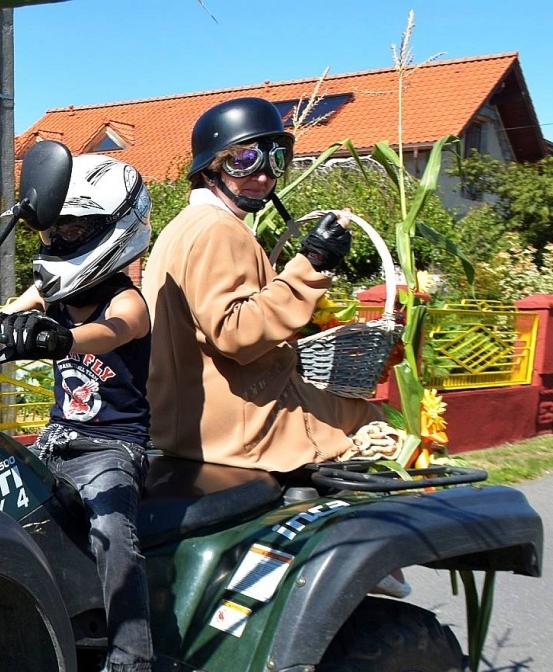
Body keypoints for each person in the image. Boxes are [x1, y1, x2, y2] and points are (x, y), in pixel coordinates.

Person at [0, 154, 164, 672]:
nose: (59, 239)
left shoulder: (128, 300)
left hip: (113, 448)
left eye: (73, 229)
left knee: (114, 535)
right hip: (57, 441)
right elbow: (8, 316)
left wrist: (56, 338)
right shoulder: (55, 291)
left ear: (115, 230)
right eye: (53, 229)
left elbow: (112, 333)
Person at [142, 97, 379, 472]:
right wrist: (311, 264)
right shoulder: (219, 229)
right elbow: (235, 332)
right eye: (245, 161)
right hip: (241, 429)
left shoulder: (183, 225)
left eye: (276, 161)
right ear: (210, 169)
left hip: (189, 423)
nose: (264, 176)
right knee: (374, 420)